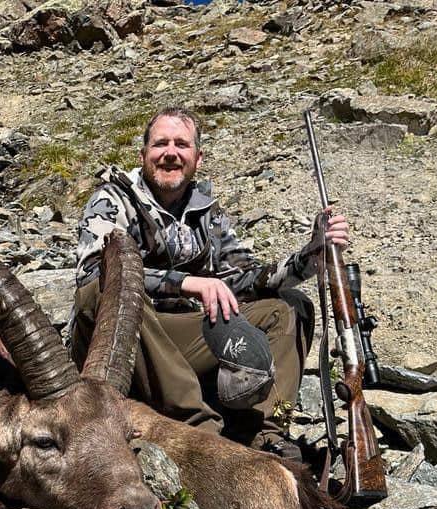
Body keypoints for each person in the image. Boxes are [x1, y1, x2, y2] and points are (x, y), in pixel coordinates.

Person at [69, 107, 350, 460]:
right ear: (143, 155)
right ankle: (201, 431)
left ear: (197, 159)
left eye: (182, 145)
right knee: (106, 294)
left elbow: (246, 278)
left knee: (288, 308)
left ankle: (265, 433)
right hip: (124, 344)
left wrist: (311, 254)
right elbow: (93, 273)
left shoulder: (207, 212)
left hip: (180, 337)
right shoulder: (112, 200)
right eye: (161, 144)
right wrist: (187, 283)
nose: (171, 153)